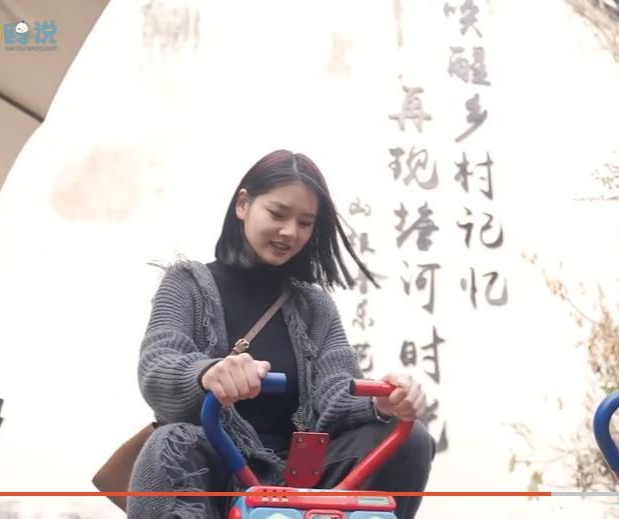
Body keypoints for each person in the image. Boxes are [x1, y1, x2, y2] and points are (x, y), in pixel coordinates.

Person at [129, 150, 435, 519]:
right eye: (277, 214)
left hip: (303, 474)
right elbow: (158, 365)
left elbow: (336, 389)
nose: (290, 232)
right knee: (171, 444)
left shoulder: (314, 306)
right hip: (216, 468)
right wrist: (206, 374)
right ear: (243, 204)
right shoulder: (187, 284)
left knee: (410, 437)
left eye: (305, 223)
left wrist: (382, 403)